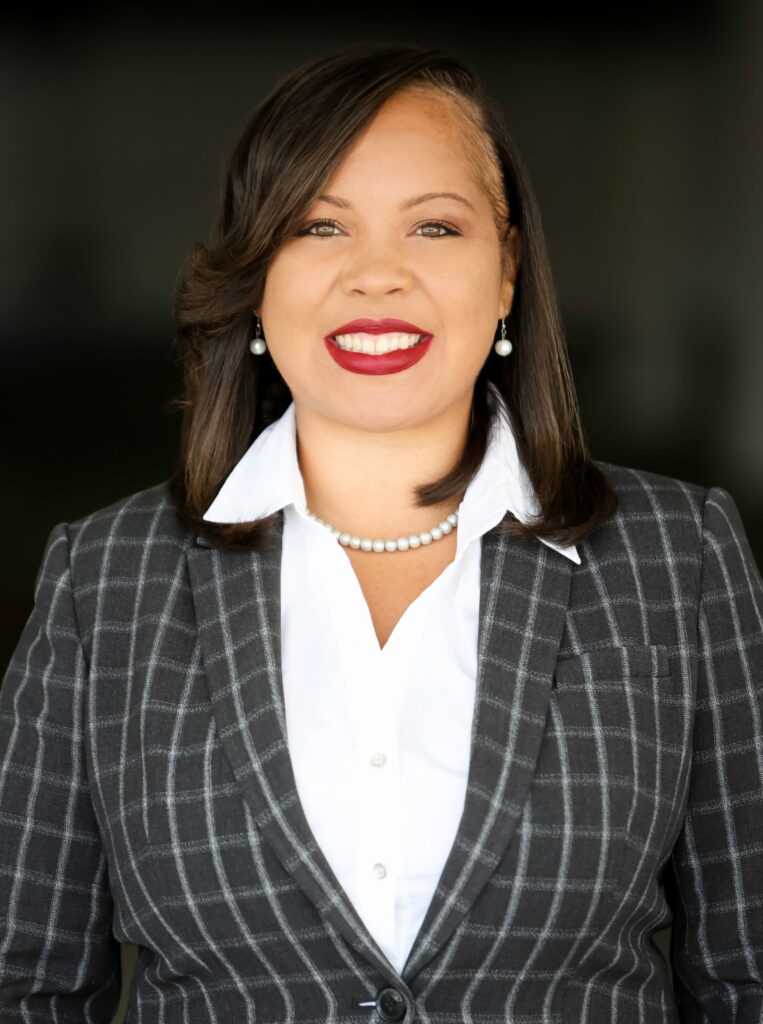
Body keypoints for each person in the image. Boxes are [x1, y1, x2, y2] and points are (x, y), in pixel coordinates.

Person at [1, 42, 761, 1024]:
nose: (376, 275)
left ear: (507, 271)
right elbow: (26, 988)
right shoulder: (103, 580)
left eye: (433, 226)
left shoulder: (679, 556)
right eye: (319, 226)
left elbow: (747, 977)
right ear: (257, 276)